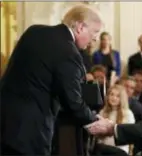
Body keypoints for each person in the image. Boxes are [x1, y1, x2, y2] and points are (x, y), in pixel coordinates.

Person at [0, 4, 103, 155]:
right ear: (80, 27)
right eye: (95, 32)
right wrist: (95, 120)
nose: (95, 38)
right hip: (31, 134)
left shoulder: (33, 31)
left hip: (4, 124)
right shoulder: (69, 52)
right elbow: (73, 102)